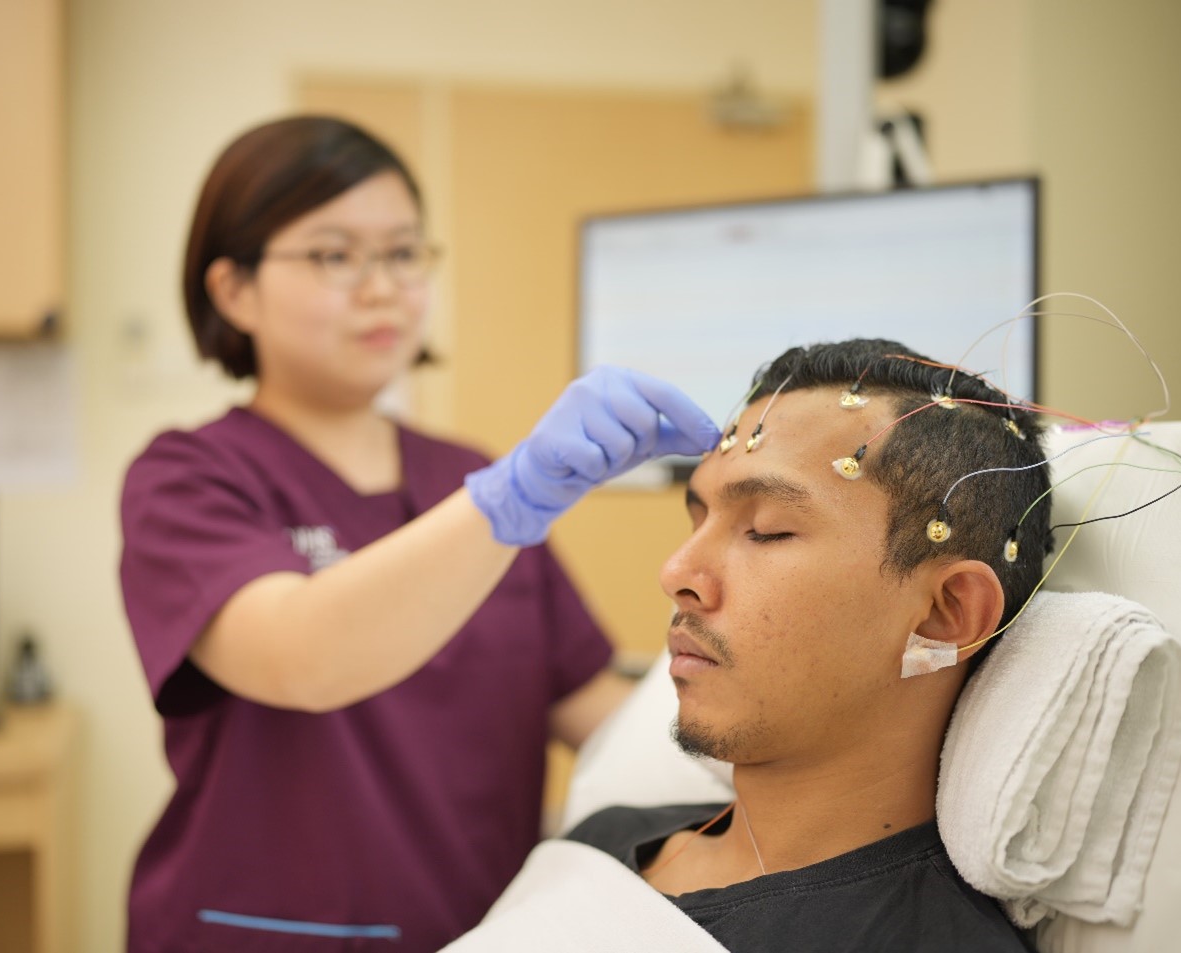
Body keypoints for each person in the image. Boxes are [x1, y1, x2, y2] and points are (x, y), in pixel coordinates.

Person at [117, 115, 719, 953]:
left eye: (404, 254)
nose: (382, 287)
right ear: (233, 290)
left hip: (479, 926)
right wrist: (510, 498)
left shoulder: (459, 479)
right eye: (334, 255)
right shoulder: (189, 477)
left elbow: (595, 713)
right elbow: (302, 652)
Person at [556, 339, 1046, 951]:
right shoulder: (603, 845)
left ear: (946, 615)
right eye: (696, 519)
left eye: (764, 532)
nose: (676, 572)